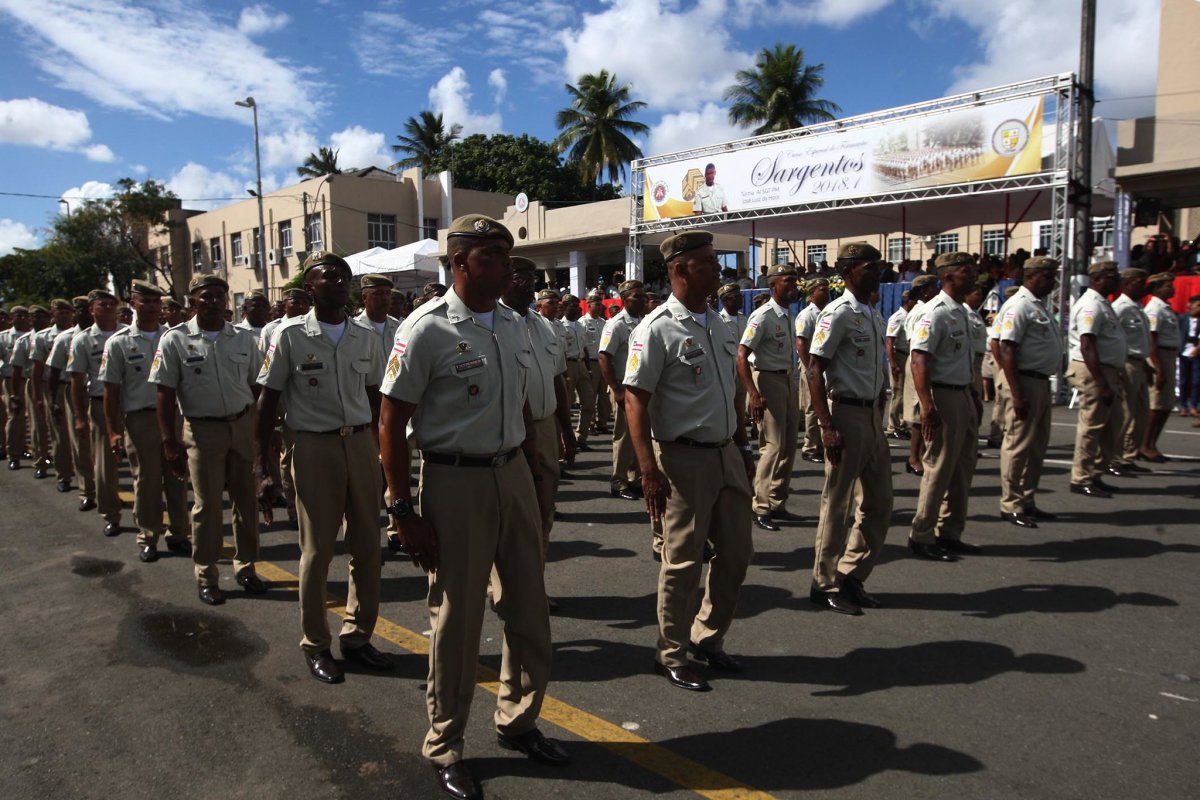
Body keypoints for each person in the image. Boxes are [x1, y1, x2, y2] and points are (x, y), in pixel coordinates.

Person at [378, 215, 568, 800]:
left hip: (512, 473)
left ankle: (519, 720)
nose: (507, 266)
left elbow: (522, 405)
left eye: (507, 255)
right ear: (459, 262)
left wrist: (533, 474)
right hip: (454, 481)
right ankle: (445, 744)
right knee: (458, 621)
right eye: (492, 256)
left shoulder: (513, 323)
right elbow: (391, 420)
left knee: (529, 609)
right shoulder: (426, 328)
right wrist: (402, 508)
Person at [624, 229, 754, 694]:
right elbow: (635, 400)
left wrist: (742, 445)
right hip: (682, 459)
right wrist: (648, 470)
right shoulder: (657, 328)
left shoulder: (720, 324)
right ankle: (673, 652)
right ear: (680, 269)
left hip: (725, 453)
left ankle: (708, 636)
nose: (718, 270)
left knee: (736, 553)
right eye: (708, 263)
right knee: (682, 563)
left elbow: (730, 393)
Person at [257, 252, 390, 684]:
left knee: (368, 547)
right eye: (326, 276)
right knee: (317, 551)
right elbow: (267, 403)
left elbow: (376, 398)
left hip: (360, 444)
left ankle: (358, 636)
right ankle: (316, 643)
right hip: (314, 447)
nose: (336, 280)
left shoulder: (365, 336)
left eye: (342, 275)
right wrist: (262, 468)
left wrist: (382, 453)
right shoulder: (290, 335)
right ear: (309, 288)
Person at [149, 274, 268, 605]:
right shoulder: (175, 339)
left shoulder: (242, 338)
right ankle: (207, 574)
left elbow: (257, 387)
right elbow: (164, 393)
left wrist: (262, 434)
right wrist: (169, 442)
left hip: (241, 425)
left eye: (219, 295)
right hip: (202, 432)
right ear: (193, 301)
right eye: (206, 296)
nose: (214, 301)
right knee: (208, 506)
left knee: (246, 501)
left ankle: (246, 567)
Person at [806, 242, 890, 614]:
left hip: (872, 416)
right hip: (846, 414)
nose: (877, 272)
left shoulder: (872, 312)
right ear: (847, 273)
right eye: (868, 267)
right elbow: (814, 370)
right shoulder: (837, 313)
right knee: (837, 505)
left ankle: (851, 574)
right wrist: (826, 425)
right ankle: (823, 583)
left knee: (879, 503)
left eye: (878, 266)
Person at [101, 280, 189, 560]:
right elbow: (111, 391)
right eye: (146, 301)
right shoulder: (119, 342)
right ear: (133, 304)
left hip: (174, 416)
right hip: (141, 420)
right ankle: (149, 536)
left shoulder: (173, 337)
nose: (152, 307)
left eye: (156, 302)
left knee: (177, 477)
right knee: (147, 480)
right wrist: (113, 430)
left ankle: (179, 533)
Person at [906, 252, 982, 562]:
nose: (974, 275)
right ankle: (922, 534)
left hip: (962, 393)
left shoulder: (961, 311)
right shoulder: (935, 312)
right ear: (948, 275)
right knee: (938, 467)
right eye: (967, 271)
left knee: (963, 467)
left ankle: (950, 532)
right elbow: (919, 361)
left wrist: (973, 396)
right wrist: (927, 406)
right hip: (942, 395)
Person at [503, 264, 576, 575]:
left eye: (530, 278)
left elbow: (557, 378)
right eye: (518, 277)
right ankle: (501, 585)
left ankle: (533, 583)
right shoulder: (493, 322)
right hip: (509, 429)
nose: (526, 283)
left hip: (545, 426)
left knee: (544, 507)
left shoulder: (545, 326)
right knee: (509, 513)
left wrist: (567, 431)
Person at [996, 257, 1064, 528]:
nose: (1052, 282)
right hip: (1024, 381)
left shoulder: (1039, 305)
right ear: (1031, 276)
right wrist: (1017, 393)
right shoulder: (1019, 305)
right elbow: (1007, 349)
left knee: (1037, 445)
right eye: (1048, 277)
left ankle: (1027, 499)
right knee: (1018, 445)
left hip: (1040, 381)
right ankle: (1011, 504)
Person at [737, 264, 800, 531]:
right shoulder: (762, 316)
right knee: (772, 445)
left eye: (795, 281)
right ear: (773, 285)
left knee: (789, 445)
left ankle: (777, 500)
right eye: (788, 281)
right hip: (768, 379)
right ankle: (760, 506)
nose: (794, 285)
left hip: (787, 379)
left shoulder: (788, 315)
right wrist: (753, 393)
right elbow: (742, 355)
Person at [66, 290, 126, 536]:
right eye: (103, 304)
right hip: (101, 404)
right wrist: (80, 417)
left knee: (143, 464)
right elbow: (76, 381)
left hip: (132, 404)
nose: (109, 307)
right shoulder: (83, 340)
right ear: (92, 310)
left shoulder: (128, 334)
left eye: (112, 303)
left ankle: (147, 514)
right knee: (105, 464)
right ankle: (111, 514)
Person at [1066, 261, 1126, 498]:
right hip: (1093, 370)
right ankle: (1081, 478)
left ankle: (1096, 473)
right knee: (1092, 425)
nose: (1116, 280)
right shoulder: (1090, 304)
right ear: (1097, 278)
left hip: (1106, 369)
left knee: (1113, 423)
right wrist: (1101, 382)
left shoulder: (1103, 303)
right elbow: (1087, 344)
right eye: (1112, 276)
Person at [260, 287, 312, 529]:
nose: (300, 306)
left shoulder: (313, 327)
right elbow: (266, 372)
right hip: (283, 399)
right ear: (285, 305)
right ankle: (293, 508)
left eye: (304, 302)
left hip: (310, 401)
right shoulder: (273, 330)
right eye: (295, 302)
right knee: (290, 456)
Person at [599, 280, 649, 500]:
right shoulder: (616, 324)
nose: (642, 300)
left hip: (640, 386)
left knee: (640, 432)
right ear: (624, 299)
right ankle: (618, 482)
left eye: (643, 295)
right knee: (624, 435)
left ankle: (635, 478)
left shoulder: (644, 321)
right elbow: (604, 356)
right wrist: (616, 389)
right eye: (636, 296)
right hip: (623, 385)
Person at [46, 298, 94, 504]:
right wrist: (52, 400)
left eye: (88, 309)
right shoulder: (65, 339)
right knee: (78, 442)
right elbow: (54, 373)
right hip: (73, 391)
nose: (85, 313)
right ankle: (86, 491)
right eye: (80, 310)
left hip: (99, 392)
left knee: (100, 446)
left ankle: (106, 489)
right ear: (75, 312)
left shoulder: (109, 335)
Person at [30, 299, 77, 489]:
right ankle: (63, 475)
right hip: (56, 387)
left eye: (67, 312)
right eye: (60, 312)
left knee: (82, 435)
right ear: (53, 314)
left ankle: (87, 478)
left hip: (78, 387)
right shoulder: (43, 337)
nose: (64, 316)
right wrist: (38, 396)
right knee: (60, 435)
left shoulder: (79, 334)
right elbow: (37, 368)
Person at [1111, 269, 1152, 474]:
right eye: (1139, 282)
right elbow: (1112, 338)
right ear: (1127, 284)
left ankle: (1128, 455)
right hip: (1126, 362)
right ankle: (1114, 458)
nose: (1144, 286)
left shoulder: (1137, 307)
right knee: (1125, 413)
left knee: (1141, 412)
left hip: (1139, 362)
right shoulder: (1120, 308)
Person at [902, 275, 941, 474]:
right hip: (918, 363)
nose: (938, 290)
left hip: (927, 363)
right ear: (924, 291)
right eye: (934, 287)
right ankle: (914, 457)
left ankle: (922, 454)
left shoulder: (929, 309)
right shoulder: (920, 311)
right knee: (920, 413)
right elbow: (916, 344)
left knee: (926, 412)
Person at [1141, 272, 1182, 461]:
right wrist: (1158, 369)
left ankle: (1152, 443)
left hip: (1169, 355)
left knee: (1166, 404)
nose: (1172, 288)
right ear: (1157, 288)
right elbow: (1152, 341)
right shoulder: (1154, 309)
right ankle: (1145, 444)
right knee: (1156, 405)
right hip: (1159, 356)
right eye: (1168, 285)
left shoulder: (1166, 307)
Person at [794, 277, 830, 464]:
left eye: (827, 289)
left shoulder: (827, 312)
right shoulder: (807, 315)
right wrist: (809, 368)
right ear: (812, 293)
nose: (827, 292)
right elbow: (801, 343)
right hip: (810, 365)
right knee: (812, 406)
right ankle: (810, 446)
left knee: (824, 404)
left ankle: (822, 444)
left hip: (824, 366)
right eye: (822, 289)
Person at [558, 294, 592, 451]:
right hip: (568, 365)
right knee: (566, 406)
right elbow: (561, 352)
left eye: (577, 306)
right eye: (572, 306)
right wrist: (564, 373)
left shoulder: (580, 325)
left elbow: (585, 347)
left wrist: (588, 368)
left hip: (581, 364)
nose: (577, 309)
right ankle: (566, 441)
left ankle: (581, 438)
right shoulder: (560, 326)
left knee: (588, 403)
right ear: (565, 307)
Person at [0, 306, 32, 469]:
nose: (22, 318)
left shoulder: (33, 336)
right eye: (18, 315)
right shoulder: (3, 337)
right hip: (12, 380)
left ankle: (24, 447)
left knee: (33, 418)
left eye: (25, 315)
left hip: (31, 380)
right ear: (12, 317)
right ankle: (13, 454)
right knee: (15, 415)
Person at [885, 290, 916, 439]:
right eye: (914, 300)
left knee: (906, 392)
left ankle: (902, 424)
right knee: (898, 393)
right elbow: (889, 342)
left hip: (907, 356)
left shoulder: (910, 316)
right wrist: (893, 364)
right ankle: (893, 426)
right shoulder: (898, 317)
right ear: (908, 301)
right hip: (899, 356)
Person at [579, 291, 610, 438]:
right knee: (590, 396)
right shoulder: (583, 322)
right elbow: (582, 345)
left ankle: (602, 423)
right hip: (591, 362)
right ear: (589, 305)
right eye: (596, 304)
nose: (599, 307)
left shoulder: (604, 323)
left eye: (600, 304)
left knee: (604, 395)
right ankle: (589, 424)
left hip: (603, 362)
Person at [355, 273, 403, 355]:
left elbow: (400, 356)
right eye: (379, 293)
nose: (385, 298)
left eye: (388, 293)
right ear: (364, 298)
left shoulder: (398, 327)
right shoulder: (354, 329)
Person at [1180, 295, 1200, 419]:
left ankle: (1193, 405)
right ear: (1190, 305)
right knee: (1183, 381)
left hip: (1196, 352)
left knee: (1196, 381)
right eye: (1198, 305)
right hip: (1183, 352)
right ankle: (1183, 406)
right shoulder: (1182, 318)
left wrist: (1197, 349)